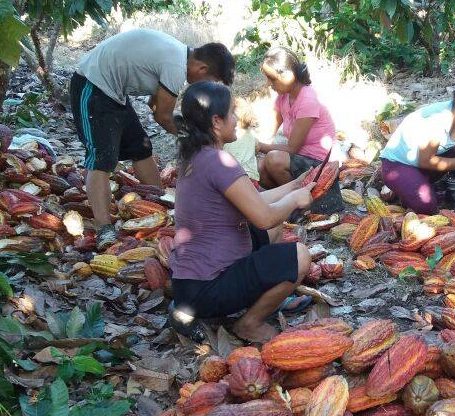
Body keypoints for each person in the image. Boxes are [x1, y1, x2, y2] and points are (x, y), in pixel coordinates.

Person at [168, 81, 315, 344]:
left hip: (188, 286)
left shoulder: (198, 156)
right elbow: (264, 215)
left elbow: (254, 200)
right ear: (216, 122)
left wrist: (295, 184)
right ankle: (249, 323)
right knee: (299, 256)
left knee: (271, 231)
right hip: (207, 288)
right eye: (232, 114)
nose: (236, 120)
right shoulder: (219, 162)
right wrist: (295, 199)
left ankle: (256, 298)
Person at [70, 28, 235, 250]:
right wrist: (195, 139)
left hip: (114, 93)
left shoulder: (177, 55)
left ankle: (158, 202)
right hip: (93, 85)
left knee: (141, 147)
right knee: (102, 158)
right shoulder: (176, 66)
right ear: (201, 68)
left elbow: (153, 104)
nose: (204, 88)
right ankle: (103, 228)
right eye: (209, 81)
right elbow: (162, 115)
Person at [379, 62, 455, 214]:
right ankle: (406, 189)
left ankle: (449, 187)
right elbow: (425, 160)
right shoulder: (437, 120)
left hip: (425, 166)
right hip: (398, 165)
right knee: (427, 205)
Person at [256, 47, 343, 214]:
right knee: (260, 168)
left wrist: (261, 147)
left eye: (272, 80)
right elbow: (269, 132)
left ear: (288, 75)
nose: (270, 84)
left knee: (274, 159)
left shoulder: (307, 100)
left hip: (318, 163)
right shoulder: (283, 97)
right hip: (300, 159)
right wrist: (252, 146)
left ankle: (302, 206)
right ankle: (288, 205)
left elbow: (292, 148)